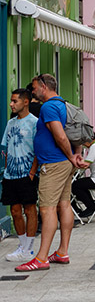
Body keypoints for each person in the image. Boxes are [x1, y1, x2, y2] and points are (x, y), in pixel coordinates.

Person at [16, 74, 83, 272]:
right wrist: (75, 155)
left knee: (46, 209)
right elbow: (75, 133)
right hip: (61, 163)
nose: (33, 91)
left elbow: (60, 135)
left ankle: (42, 257)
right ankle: (62, 252)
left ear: (44, 87)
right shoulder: (64, 104)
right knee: (64, 204)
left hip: (53, 165)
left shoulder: (48, 107)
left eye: (35, 88)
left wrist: (72, 157)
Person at [2, 89, 39, 262]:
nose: (11, 104)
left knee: (30, 209)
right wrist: (6, 170)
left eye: (15, 101)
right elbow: (6, 148)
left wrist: (32, 171)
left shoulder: (34, 123)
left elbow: (38, 150)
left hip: (27, 174)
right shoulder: (10, 123)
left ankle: (29, 249)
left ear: (26, 102)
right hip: (10, 174)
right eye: (11, 101)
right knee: (15, 211)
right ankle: (22, 246)